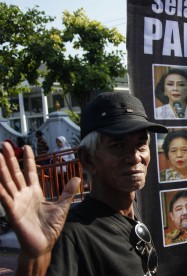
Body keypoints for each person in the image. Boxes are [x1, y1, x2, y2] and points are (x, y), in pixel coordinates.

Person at [0, 92, 168, 275]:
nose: (135, 157)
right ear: (87, 158)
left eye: (141, 144)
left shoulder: (132, 209)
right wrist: (35, 260)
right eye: (117, 146)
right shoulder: (71, 236)